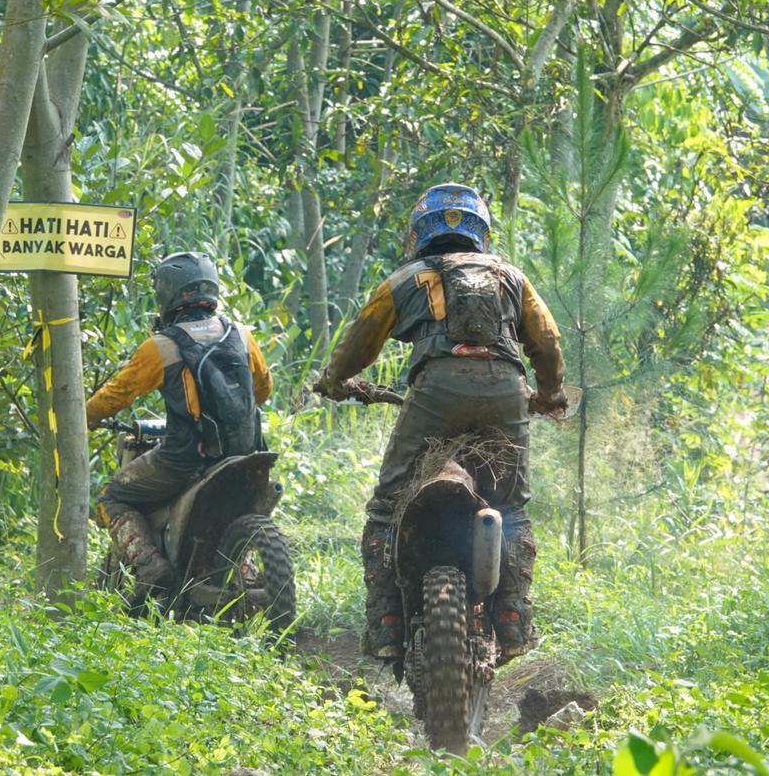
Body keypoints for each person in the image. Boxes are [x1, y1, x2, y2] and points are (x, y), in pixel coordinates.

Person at [315, 183, 567, 662]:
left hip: (436, 394)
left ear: (419, 232)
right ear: (481, 231)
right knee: (511, 506)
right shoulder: (511, 277)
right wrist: (550, 394)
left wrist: (334, 380)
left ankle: (386, 621)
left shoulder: (406, 279)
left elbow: (359, 343)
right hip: (505, 393)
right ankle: (513, 617)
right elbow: (548, 341)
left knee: (387, 506)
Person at [86, 252, 273, 598]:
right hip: (245, 455)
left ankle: (148, 564)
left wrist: (85, 416)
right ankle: (242, 568)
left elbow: (116, 396)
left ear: (167, 293)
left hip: (184, 461)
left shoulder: (162, 346)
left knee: (112, 496)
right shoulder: (242, 335)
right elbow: (263, 390)